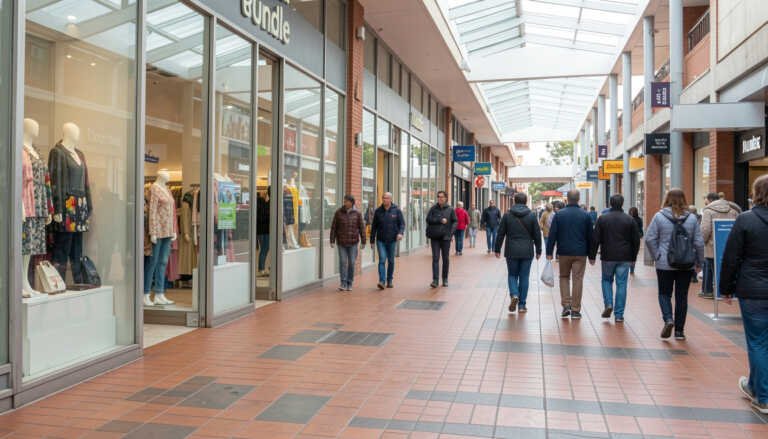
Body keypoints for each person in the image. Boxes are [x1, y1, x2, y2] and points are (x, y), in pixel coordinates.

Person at [720, 175, 768, 413]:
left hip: (753, 290)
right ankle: (754, 386)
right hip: (755, 289)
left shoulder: (746, 220)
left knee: (758, 342)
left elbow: (731, 257)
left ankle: (764, 397)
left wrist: (725, 289)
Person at [645, 189, 704, 340]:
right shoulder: (692, 219)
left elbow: (650, 238)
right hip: (686, 263)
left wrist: (657, 255)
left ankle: (668, 319)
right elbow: (698, 242)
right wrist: (699, 262)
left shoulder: (659, 216)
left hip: (665, 263)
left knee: (664, 293)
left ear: (667, 199)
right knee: (682, 296)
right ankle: (679, 331)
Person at [590, 195, 640, 323]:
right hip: (625, 256)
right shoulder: (630, 220)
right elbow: (636, 240)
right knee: (621, 284)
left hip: (608, 256)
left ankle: (608, 304)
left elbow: (595, 238)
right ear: (622, 203)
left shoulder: (602, 219)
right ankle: (619, 315)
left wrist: (592, 256)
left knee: (606, 280)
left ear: (610, 203)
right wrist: (634, 257)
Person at [546, 190, 593, 319]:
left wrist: (549, 252)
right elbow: (591, 236)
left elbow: (552, 235)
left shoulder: (559, 215)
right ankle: (576, 310)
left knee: (564, 277)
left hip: (564, 252)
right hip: (580, 253)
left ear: (567, 199)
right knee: (578, 279)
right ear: (578, 199)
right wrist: (592, 255)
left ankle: (566, 305)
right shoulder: (586, 215)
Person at [495, 192, 541, 313]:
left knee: (512, 275)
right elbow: (537, 234)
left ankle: (514, 294)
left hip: (511, 250)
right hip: (527, 250)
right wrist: (539, 250)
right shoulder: (531, 216)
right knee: (524, 276)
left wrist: (497, 249)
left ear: (514, 201)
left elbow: (500, 233)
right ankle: (521, 305)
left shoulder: (507, 215)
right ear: (526, 201)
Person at [700, 192, 741, 299]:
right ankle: (724, 292)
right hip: (729, 246)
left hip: (712, 247)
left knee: (709, 267)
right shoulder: (733, 211)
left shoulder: (708, 211)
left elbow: (705, 230)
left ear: (709, 200)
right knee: (726, 268)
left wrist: (703, 242)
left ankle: (708, 291)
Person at [329, 194, 366, 291]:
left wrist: (363, 241)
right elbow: (334, 227)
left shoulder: (357, 213)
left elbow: (362, 228)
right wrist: (332, 240)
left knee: (352, 263)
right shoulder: (338, 212)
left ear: (351, 202)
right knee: (342, 262)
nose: (345, 203)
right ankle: (343, 283)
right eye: (344, 201)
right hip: (341, 242)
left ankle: (350, 282)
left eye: (346, 201)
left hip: (353, 242)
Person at [370, 192, 405, 290]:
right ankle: (382, 281)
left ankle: (389, 280)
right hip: (380, 240)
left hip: (392, 240)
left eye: (387, 198)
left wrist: (400, 233)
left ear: (390, 199)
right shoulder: (378, 211)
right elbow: (374, 227)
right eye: (383, 198)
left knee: (391, 261)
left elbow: (402, 224)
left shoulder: (396, 210)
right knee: (382, 259)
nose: (385, 200)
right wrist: (372, 240)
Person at [426, 191, 457, 287]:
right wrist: (439, 220)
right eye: (438, 197)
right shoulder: (433, 209)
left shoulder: (450, 209)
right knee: (435, 258)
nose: (440, 198)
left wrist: (450, 234)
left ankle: (445, 278)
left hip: (445, 238)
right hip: (435, 237)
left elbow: (455, 222)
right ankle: (435, 280)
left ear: (446, 198)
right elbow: (428, 219)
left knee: (445, 259)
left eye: (442, 197)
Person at [628, 207, 644, 275]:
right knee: (630, 255)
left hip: (635, 240)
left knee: (634, 255)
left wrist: (640, 234)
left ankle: (632, 269)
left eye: (633, 211)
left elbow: (641, 230)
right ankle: (630, 268)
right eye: (631, 211)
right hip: (629, 240)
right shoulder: (627, 219)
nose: (631, 213)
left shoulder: (638, 219)